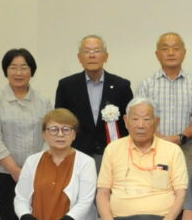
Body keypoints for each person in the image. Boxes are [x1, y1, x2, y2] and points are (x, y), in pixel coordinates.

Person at [0, 48, 52, 220]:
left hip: (38, 172)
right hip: (6, 174)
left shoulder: (43, 101)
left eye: (24, 67)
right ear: (6, 71)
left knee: (37, 218)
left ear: (32, 71)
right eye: (13, 67)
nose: (19, 72)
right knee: (9, 218)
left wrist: (32, 169)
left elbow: (50, 136)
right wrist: (15, 171)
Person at [54, 35, 134, 170]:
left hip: (112, 155)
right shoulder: (66, 86)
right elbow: (60, 122)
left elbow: (129, 124)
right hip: (76, 155)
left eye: (97, 51)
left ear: (106, 56)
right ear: (79, 57)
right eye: (87, 51)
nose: (92, 55)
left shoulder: (121, 86)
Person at [136, 32, 192, 173]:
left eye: (176, 48)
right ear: (157, 54)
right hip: (153, 148)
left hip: (188, 149)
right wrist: (160, 138)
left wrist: (181, 137)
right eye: (165, 49)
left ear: (184, 53)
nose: (171, 53)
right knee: (156, 185)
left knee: (188, 186)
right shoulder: (146, 85)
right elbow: (138, 119)